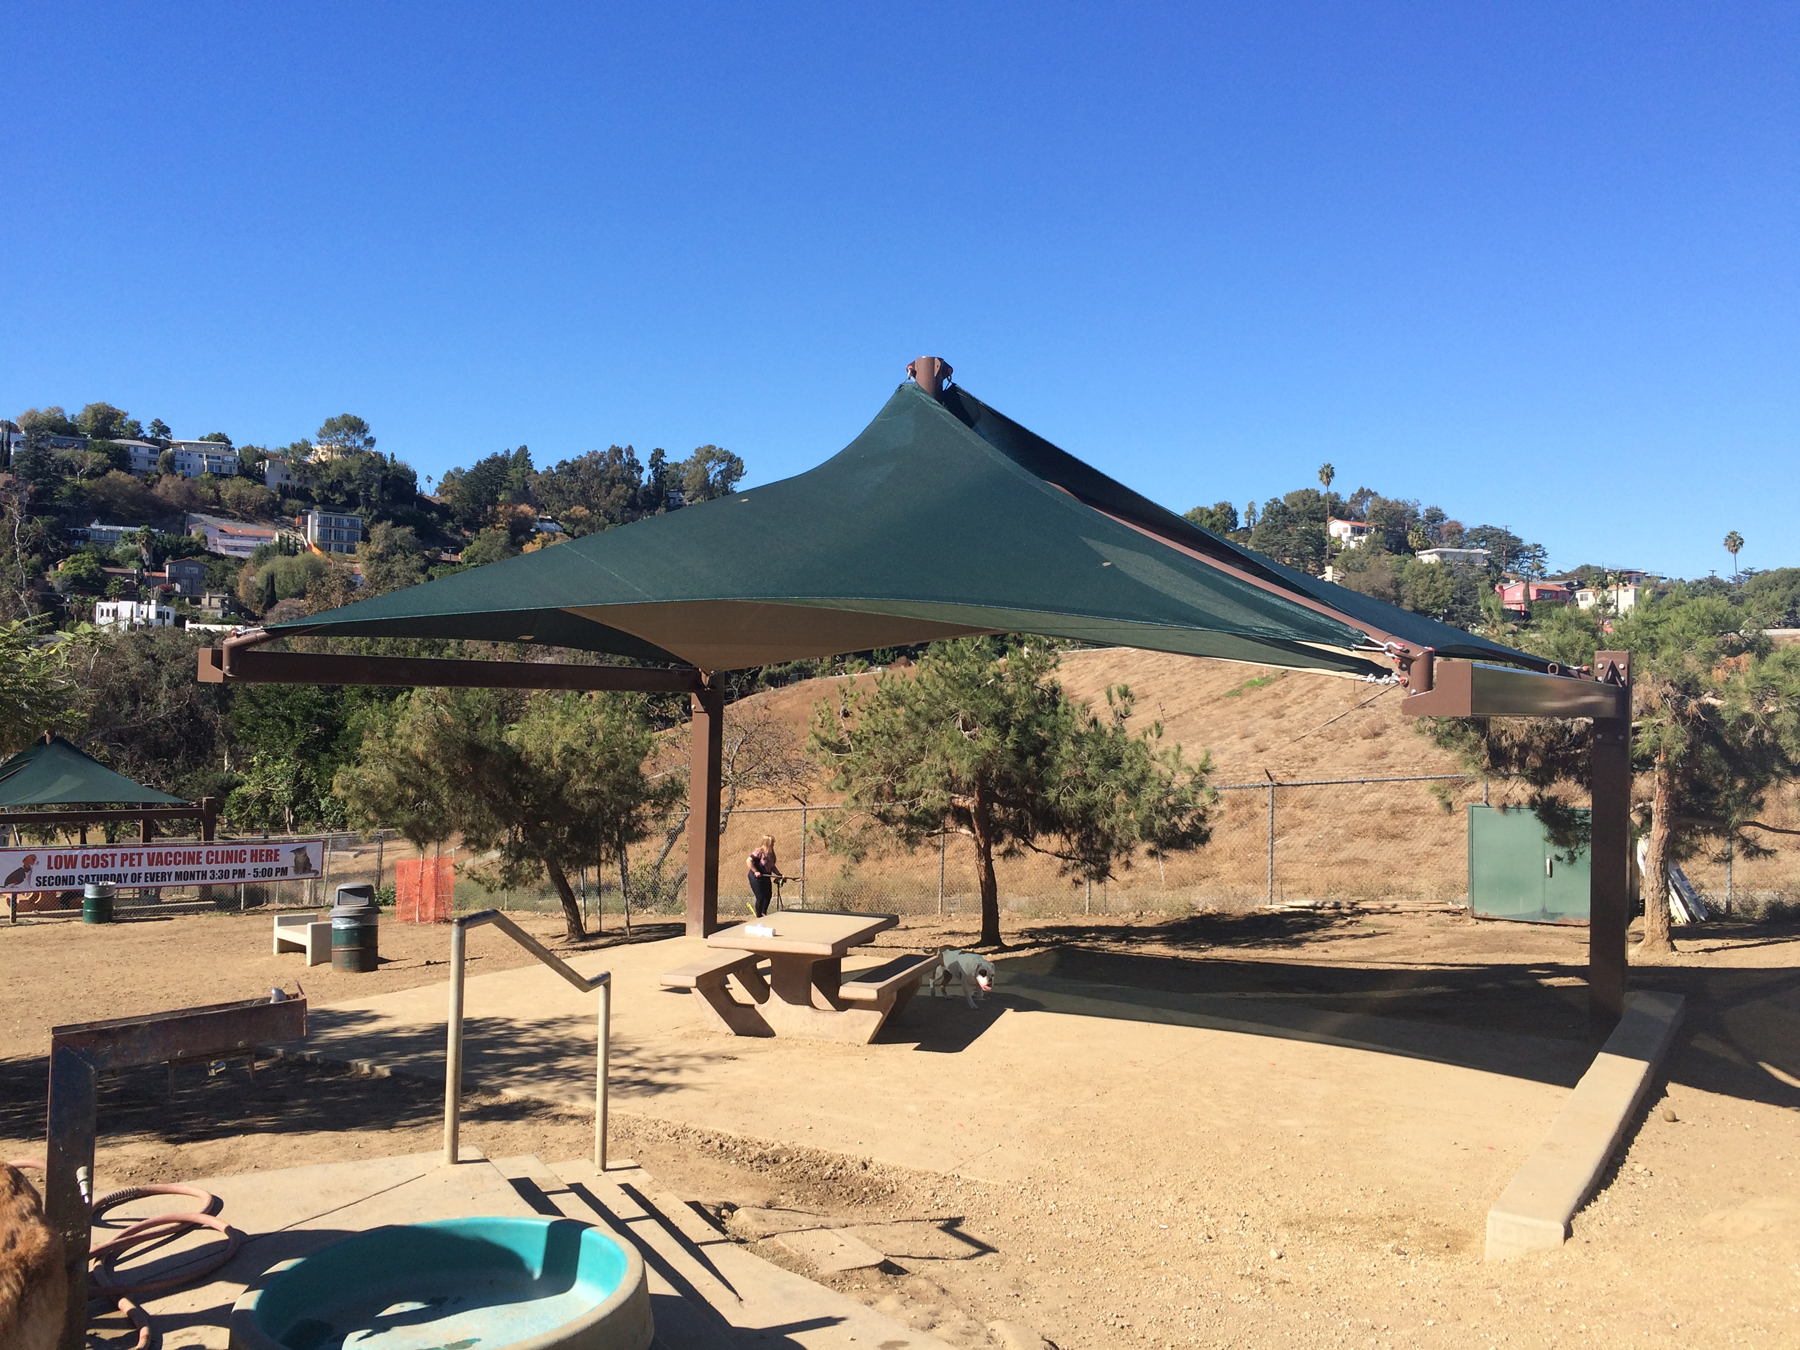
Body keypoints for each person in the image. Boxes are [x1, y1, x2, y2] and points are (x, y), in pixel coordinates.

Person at [746, 836, 781, 918]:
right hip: (756, 878)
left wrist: (779, 874)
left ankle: (763, 913)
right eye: (772, 843)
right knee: (760, 897)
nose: (773, 844)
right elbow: (748, 861)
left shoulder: (771, 854)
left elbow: (772, 866)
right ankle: (758, 915)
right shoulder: (759, 852)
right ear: (767, 843)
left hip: (766, 876)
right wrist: (756, 871)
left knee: (768, 895)